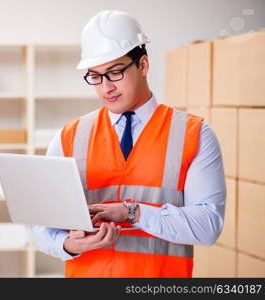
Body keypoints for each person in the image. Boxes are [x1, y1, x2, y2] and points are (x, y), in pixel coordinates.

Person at [31, 10, 226, 278]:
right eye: (95, 76)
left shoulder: (194, 134)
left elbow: (208, 227)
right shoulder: (69, 136)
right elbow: (42, 227)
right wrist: (67, 245)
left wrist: (132, 212)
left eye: (114, 72)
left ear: (143, 65)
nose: (105, 88)